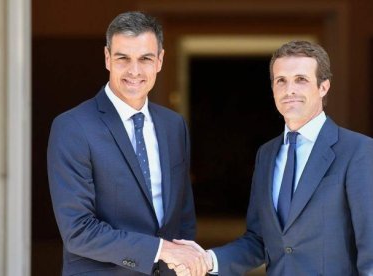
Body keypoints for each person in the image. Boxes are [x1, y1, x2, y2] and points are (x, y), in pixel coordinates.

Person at [176, 40, 373, 275]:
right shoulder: (267, 155)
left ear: (324, 87)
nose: (289, 90)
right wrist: (207, 259)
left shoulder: (358, 150)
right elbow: (259, 240)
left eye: (301, 79)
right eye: (281, 81)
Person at [48, 11, 210, 276]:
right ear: (107, 58)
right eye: (123, 58)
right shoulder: (73, 127)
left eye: (145, 59)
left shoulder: (173, 126)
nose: (134, 71)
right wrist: (162, 250)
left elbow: (183, 216)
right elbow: (77, 230)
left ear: (159, 61)